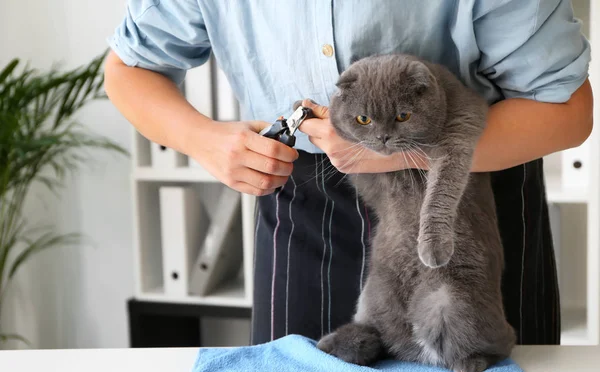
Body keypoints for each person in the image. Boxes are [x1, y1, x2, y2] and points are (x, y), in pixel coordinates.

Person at [105, 1, 593, 346]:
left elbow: (569, 110)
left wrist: (395, 152)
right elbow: (128, 69)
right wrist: (202, 139)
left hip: (468, 199)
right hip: (303, 208)